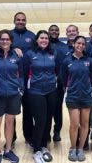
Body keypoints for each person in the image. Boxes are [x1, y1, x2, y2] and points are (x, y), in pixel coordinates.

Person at [24, 30, 58, 163]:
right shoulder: (30, 54)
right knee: (40, 120)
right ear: (37, 40)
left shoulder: (53, 53)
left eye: (46, 38)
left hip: (51, 91)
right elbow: (25, 72)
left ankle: (44, 146)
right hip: (35, 91)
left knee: (49, 118)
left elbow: (58, 70)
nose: (44, 40)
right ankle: (36, 149)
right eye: (41, 38)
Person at [0, 30, 23, 163]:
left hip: (13, 95)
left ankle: (8, 150)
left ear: (11, 41)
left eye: (7, 39)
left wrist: (20, 89)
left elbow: (21, 74)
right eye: (2, 39)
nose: (4, 41)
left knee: (10, 123)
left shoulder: (17, 56)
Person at [61, 36, 92, 162]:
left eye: (82, 44)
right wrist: (68, 90)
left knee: (85, 124)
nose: (80, 45)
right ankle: (72, 148)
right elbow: (63, 78)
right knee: (74, 124)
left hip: (86, 96)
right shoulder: (66, 61)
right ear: (73, 44)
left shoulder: (89, 60)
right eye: (78, 43)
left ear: (85, 46)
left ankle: (80, 149)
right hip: (73, 96)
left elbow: (91, 76)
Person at [10, 12, 35, 146]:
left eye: (23, 20)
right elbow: (3, 47)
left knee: (28, 110)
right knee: (11, 110)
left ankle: (29, 136)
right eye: (18, 20)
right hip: (12, 79)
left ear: (26, 21)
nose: (20, 21)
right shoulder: (8, 35)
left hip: (28, 79)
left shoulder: (32, 36)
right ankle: (11, 137)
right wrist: (13, 48)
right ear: (14, 21)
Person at [48, 24, 70, 142]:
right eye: (52, 30)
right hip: (46, 81)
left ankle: (57, 131)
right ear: (48, 31)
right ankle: (46, 132)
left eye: (56, 30)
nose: (54, 32)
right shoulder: (45, 44)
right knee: (47, 108)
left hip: (60, 82)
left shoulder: (64, 47)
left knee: (58, 108)